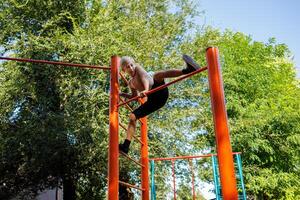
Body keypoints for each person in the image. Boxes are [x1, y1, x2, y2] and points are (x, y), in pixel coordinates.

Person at [119, 55, 200, 154]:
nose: (131, 68)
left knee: (158, 75)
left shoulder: (138, 69)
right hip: (154, 101)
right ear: (124, 70)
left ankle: (187, 70)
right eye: (128, 67)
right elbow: (133, 96)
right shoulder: (131, 83)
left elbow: (145, 79)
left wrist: (145, 90)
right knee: (132, 116)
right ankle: (126, 146)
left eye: (131, 65)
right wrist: (122, 94)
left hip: (160, 92)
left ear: (134, 64)